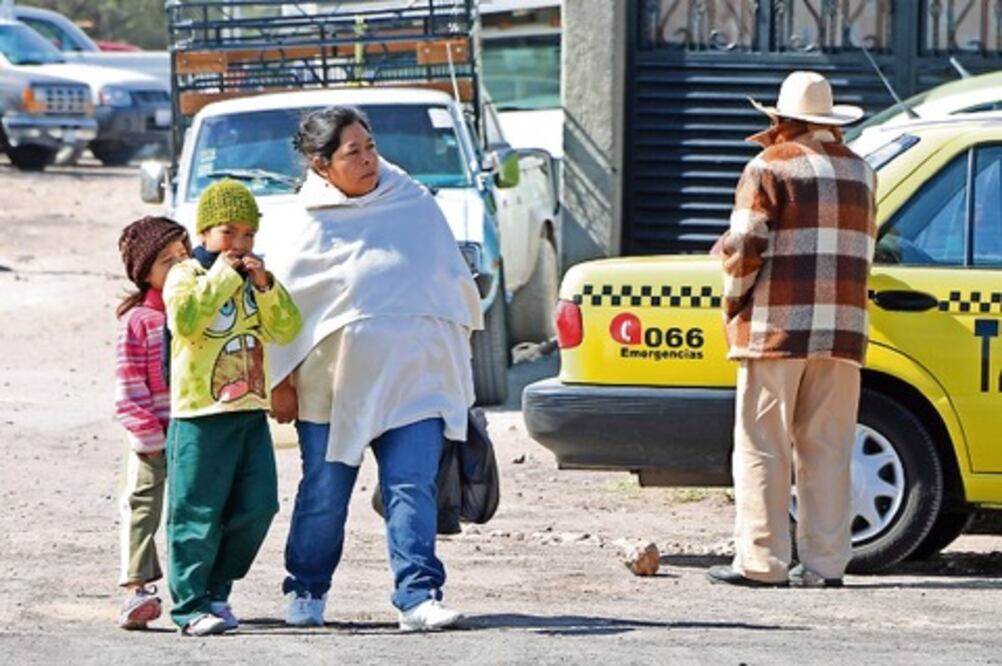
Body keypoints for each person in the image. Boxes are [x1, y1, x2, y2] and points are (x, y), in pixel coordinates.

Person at [265, 106, 482, 631]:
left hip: (415, 378)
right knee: (324, 490)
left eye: (370, 145)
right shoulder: (299, 222)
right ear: (321, 165)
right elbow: (280, 311)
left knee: (412, 485)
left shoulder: (413, 203)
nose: (368, 159)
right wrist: (280, 383)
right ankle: (307, 589)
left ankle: (417, 596)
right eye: (352, 152)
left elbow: (449, 284)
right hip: (332, 387)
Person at [707, 71, 877, 588]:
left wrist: (733, 304)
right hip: (843, 333)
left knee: (763, 446)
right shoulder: (862, 173)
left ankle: (761, 563)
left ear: (780, 121)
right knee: (827, 447)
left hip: (776, 331)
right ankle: (826, 566)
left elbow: (743, 246)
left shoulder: (768, 168)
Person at [163, 179, 302, 636]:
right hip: (200, 416)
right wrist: (224, 274)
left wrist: (263, 285)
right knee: (197, 512)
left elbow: (287, 329)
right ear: (203, 232)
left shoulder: (254, 280)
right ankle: (188, 605)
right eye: (228, 233)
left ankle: (217, 590)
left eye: (248, 235)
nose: (239, 245)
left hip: (248, 412)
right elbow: (185, 321)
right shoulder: (187, 274)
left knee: (258, 506)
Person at [114, 216, 191, 629]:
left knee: (193, 508)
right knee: (143, 506)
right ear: (144, 271)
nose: (180, 266)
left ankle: (196, 589)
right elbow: (128, 387)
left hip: (194, 429)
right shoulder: (140, 321)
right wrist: (148, 435)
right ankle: (136, 590)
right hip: (152, 435)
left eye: (184, 255)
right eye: (167, 260)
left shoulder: (196, 309)